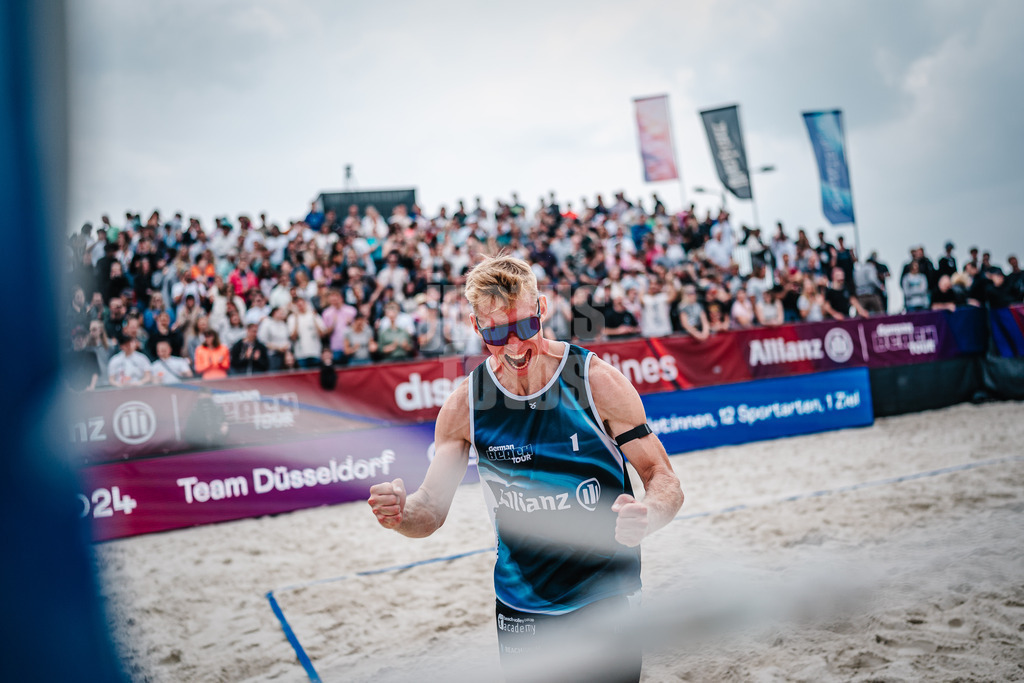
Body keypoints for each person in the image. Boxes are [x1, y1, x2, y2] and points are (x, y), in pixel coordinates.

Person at [368, 254, 683, 682]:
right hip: (522, 606)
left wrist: (649, 516)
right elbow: (430, 510)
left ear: (542, 310)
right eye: (497, 333)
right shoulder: (466, 406)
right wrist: (400, 515)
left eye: (524, 327)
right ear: (477, 327)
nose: (514, 346)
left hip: (606, 594)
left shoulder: (595, 382)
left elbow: (661, 478)